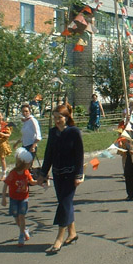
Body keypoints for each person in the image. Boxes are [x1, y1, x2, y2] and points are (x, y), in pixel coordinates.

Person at [39, 104, 84, 254]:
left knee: (64, 203)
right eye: (55, 118)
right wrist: (43, 173)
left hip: (71, 175)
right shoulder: (53, 133)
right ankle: (72, 233)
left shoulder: (74, 132)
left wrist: (79, 175)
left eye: (60, 117)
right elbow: (48, 154)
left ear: (67, 117)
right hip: (57, 174)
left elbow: (79, 156)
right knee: (65, 204)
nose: (57, 120)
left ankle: (59, 238)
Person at [1, 148, 38, 246]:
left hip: (24, 198)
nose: (30, 165)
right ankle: (24, 230)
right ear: (24, 164)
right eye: (29, 163)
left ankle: (21, 235)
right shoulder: (13, 173)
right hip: (14, 198)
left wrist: (39, 182)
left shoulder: (26, 172)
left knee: (22, 216)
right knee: (16, 217)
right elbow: (6, 184)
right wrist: (4, 197)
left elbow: (31, 182)